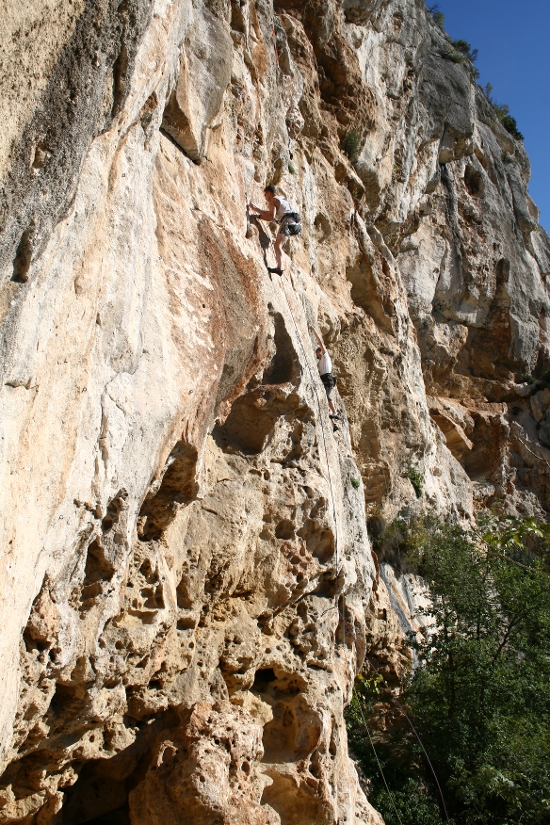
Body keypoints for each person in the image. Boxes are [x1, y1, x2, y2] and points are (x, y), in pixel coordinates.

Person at [248, 185, 301, 275]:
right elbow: (271, 214)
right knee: (280, 245)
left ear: (269, 193)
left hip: (288, 222)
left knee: (277, 246)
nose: (265, 198)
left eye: (265, 195)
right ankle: (280, 266)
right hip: (297, 224)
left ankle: (279, 269)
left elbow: (270, 216)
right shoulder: (282, 198)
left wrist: (257, 213)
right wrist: (257, 212)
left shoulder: (273, 200)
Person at [308, 324, 341, 430]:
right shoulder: (319, 363)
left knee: (326, 397)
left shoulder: (326, 357)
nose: (317, 354)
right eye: (317, 353)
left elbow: (320, 342)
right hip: (325, 380)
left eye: (318, 352)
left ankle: (335, 413)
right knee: (325, 399)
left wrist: (313, 329)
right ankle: (333, 424)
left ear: (321, 352)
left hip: (328, 379)